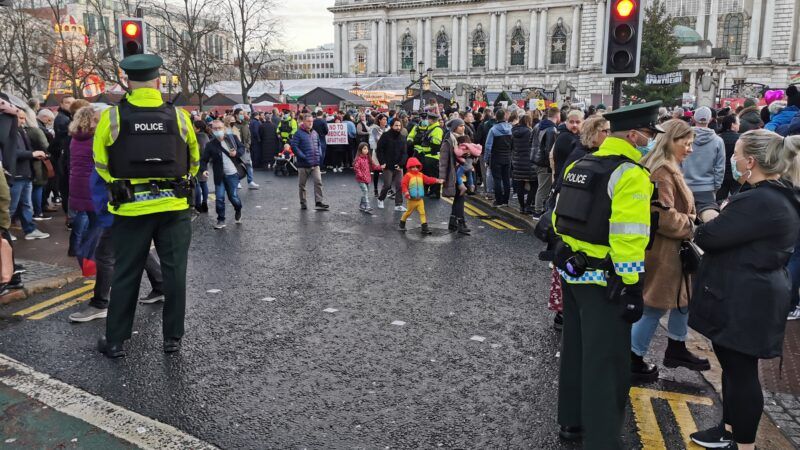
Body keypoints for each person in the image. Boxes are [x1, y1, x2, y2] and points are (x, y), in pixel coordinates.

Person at [554, 101, 662, 449]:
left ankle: (572, 422)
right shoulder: (630, 174)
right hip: (607, 282)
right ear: (633, 135)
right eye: (647, 134)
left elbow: (558, 220)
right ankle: (601, 439)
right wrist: (632, 286)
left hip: (573, 272)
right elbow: (628, 237)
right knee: (607, 362)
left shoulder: (582, 164)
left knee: (576, 350)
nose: (649, 140)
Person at [689, 131, 800, 450]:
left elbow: (709, 236)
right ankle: (727, 430)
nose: (733, 160)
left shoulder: (761, 200)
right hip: (747, 294)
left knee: (742, 372)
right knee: (735, 368)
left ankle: (744, 443)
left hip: (748, 299)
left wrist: (710, 212)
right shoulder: (770, 193)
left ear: (750, 161)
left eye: (736, 154)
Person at [93, 54, 200, 358]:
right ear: (157, 81)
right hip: (174, 208)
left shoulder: (111, 117)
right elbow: (193, 159)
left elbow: (101, 162)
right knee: (175, 272)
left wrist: (122, 180)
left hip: (130, 209)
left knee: (126, 273)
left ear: (127, 81)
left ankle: (115, 342)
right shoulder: (179, 116)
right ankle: (172, 340)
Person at [629, 119, 711, 383]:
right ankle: (633, 356)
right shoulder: (661, 172)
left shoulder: (669, 167)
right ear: (670, 140)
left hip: (674, 250)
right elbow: (661, 217)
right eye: (685, 143)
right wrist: (691, 224)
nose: (689, 149)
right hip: (664, 252)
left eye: (691, 144)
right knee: (654, 305)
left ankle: (677, 347)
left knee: (681, 299)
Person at [11, 109, 49, 241]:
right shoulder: (9, 133)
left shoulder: (21, 131)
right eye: (20, 118)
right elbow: (12, 153)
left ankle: (30, 229)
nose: (23, 121)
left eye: (23, 118)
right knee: (11, 206)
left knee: (26, 204)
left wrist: (34, 155)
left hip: (25, 173)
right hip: (16, 174)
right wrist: (32, 154)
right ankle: (4, 231)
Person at [682, 106, 725, 220]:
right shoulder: (718, 141)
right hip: (707, 187)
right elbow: (720, 167)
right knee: (708, 220)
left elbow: (678, 162)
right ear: (710, 120)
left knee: (685, 220)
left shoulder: (683, 138)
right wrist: (716, 186)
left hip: (685, 185)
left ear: (693, 119)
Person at [201, 120, 244, 229]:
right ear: (211, 130)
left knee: (233, 197)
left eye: (219, 128)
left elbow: (242, 149)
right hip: (219, 175)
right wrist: (204, 169)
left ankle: (238, 209)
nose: (217, 130)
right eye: (215, 128)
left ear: (224, 128)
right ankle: (221, 220)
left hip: (232, 174)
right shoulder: (210, 144)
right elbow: (204, 159)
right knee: (219, 198)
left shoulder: (232, 138)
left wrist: (236, 153)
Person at [291, 113, 329, 210]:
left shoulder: (315, 133)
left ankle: (319, 202)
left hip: (315, 163)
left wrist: (319, 154)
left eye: (312, 121)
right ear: (303, 122)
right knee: (302, 185)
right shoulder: (298, 133)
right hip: (303, 164)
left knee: (318, 182)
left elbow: (319, 144)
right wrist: (303, 156)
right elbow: (294, 147)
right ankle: (303, 202)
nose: (310, 123)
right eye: (308, 121)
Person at [439, 119, 471, 234]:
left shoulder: (465, 138)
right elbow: (443, 161)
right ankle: (461, 223)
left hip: (463, 173)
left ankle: (453, 222)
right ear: (454, 128)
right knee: (460, 198)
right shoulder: (448, 140)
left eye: (463, 125)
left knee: (458, 197)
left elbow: (471, 156)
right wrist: (442, 177)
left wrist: (470, 155)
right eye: (460, 126)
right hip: (453, 174)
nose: (463, 127)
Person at [400, 157, 443, 234]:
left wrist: (437, 180)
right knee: (408, 213)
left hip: (420, 199)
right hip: (411, 200)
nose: (415, 168)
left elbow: (428, 179)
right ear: (409, 167)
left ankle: (424, 228)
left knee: (422, 212)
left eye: (417, 167)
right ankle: (402, 223)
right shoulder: (408, 176)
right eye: (413, 167)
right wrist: (406, 193)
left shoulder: (421, 175)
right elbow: (404, 185)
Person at [407, 112, 444, 198]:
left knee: (433, 174)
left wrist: (429, 139)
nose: (427, 120)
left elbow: (437, 142)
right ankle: (426, 190)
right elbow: (411, 136)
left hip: (433, 155)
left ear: (432, 120)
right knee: (426, 173)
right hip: (424, 154)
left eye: (428, 119)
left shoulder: (437, 129)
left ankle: (435, 192)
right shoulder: (428, 127)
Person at [532, 106, 560, 218]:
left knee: (540, 186)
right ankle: (538, 211)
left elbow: (531, 142)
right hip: (544, 162)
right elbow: (550, 150)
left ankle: (538, 209)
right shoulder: (551, 129)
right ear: (557, 116)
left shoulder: (537, 126)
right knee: (543, 188)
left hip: (536, 159)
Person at [376, 118, 407, 211]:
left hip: (398, 166)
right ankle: (381, 199)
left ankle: (398, 204)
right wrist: (382, 162)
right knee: (387, 185)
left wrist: (401, 164)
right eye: (396, 125)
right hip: (387, 165)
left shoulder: (402, 138)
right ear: (392, 126)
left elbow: (405, 153)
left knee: (400, 185)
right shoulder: (385, 136)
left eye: (399, 125)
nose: (398, 127)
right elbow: (379, 150)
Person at [484, 109, 514, 207]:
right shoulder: (510, 128)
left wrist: (486, 159)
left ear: (496, 117)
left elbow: (488, 146)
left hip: (496, 157)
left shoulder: (493, 129)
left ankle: (499, 200)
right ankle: (506, 201)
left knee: (497, 179)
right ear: (505, 117)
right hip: (507, 157)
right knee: (506, 179)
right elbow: (513, 144)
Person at [511, 114, 537, 214]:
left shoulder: (513, 131)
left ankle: (521, 207)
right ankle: (528, 205)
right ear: (528, 122)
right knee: (534, 184)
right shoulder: (529, 132)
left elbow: (512, 146)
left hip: (517, 162)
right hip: (528, 162)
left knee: (520, 185)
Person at [551, 110, 583, 183]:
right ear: (567, 122)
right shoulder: (565, 137)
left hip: (566, 179)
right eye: (571, 122)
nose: (574, 125)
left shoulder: (573, 136)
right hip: (564, 180)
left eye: (578, 122)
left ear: (582, 123)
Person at [716, 114, 741, 201]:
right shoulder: (741, 139)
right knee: (737, 201)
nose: (739, 125)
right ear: (732, 124)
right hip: (736, 175)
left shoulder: (718, 138)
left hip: (720, 175)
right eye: (738, 122)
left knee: (719, 200)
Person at [193, 120, 210, 213]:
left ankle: (198, 205)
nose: (192, 127)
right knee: (204, 183)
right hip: (205, 163)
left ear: (198, 129)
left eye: (193, 126)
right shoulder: (206, 136)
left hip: (196, 163)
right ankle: (205, 203)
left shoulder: (196, 137)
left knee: (196, 184)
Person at [369, 114, 388, 197]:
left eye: (386, 119)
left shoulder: (388, 129)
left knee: (387, 171)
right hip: (377, 151)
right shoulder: (375, 129)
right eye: (383, 119)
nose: (385, 121)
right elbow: (375, 140)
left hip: (386, 152)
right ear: (379, 120)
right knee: (376, 171)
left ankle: (388, 188)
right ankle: (376, 189)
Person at [354, 142, 376, 212]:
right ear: (360, 150)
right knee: (365, 191)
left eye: (367, 149)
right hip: (361, 179)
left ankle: (362, 205)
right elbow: (356, 168)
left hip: (367, 178)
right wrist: (361, 175)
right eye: (364, 149)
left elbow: (374, 166)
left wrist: (380, 167)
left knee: (365, 192)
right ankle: (367, 206)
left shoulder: (368, 158)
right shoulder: (358, 159)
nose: (366, 150)